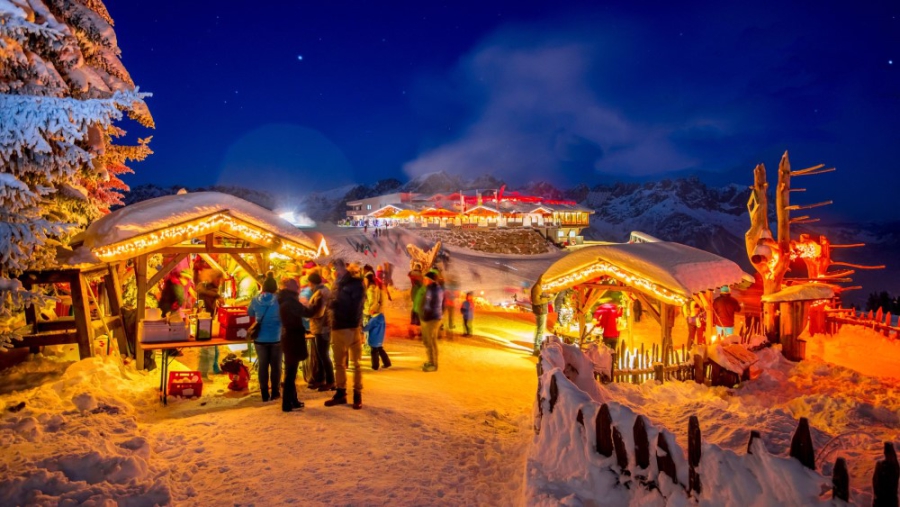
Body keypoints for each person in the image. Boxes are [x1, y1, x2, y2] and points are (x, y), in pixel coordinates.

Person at [325, 258, 366, 410]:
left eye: (337, 267)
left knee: (356, 364)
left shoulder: (355, 284)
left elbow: (357, 306)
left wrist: (353, 324)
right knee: (339, 363)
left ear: (344, 267)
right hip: (337, 326)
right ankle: (341, 392)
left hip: (350, 327)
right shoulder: (337, 283)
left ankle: (357, 393)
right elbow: (332, 302)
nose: (335, 270)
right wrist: (331, 305)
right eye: (334, 267)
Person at [247, 272, 283, 402]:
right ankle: (275, 391)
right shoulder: (279, 300)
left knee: (262, 366)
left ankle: (264, 393)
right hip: (276, 338)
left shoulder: (255, 299)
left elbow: (249, 312)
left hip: (260, 339)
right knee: (276, 366)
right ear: (275, 288)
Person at [277, 277, 311, 412]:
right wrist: (320, 302)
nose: (298, 287)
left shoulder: (283, 300)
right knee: (291, 372)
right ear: (290, 287)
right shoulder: (291, 302)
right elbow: (307, 312)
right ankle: (287, 403)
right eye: (295, 285)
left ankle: (293, 400)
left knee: (290, 370)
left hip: (287, 336)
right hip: (293, 337)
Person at [306, 272, 334, 391]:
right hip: (323, 326)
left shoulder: (320, 293)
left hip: (322, 327)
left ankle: (330, 381)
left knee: (323, 354)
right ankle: (321, 379)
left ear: (311, 283)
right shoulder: (324, 290)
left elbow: (318, 312)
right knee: (320, 354)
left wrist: (307, 312)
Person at [421, 270, 444, 372]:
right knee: (433, 341)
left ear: (429, 280)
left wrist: (424, 316)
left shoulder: (431, 289)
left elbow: (429, 306)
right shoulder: (438, 288)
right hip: (436, 317)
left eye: (425, 279)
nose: (424, 281)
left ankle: (432, 364)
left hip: (432, 318)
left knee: (429, 341)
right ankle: (433, 362)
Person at [530, 276, 551, 355]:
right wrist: (547, 299)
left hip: (542, 311)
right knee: (540, 331)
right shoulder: (537, 288)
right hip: (540, 311)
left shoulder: (540, 287)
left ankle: (537, 347)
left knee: (540, 330)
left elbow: (540, 298)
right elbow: (536, 301)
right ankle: (537, 349)